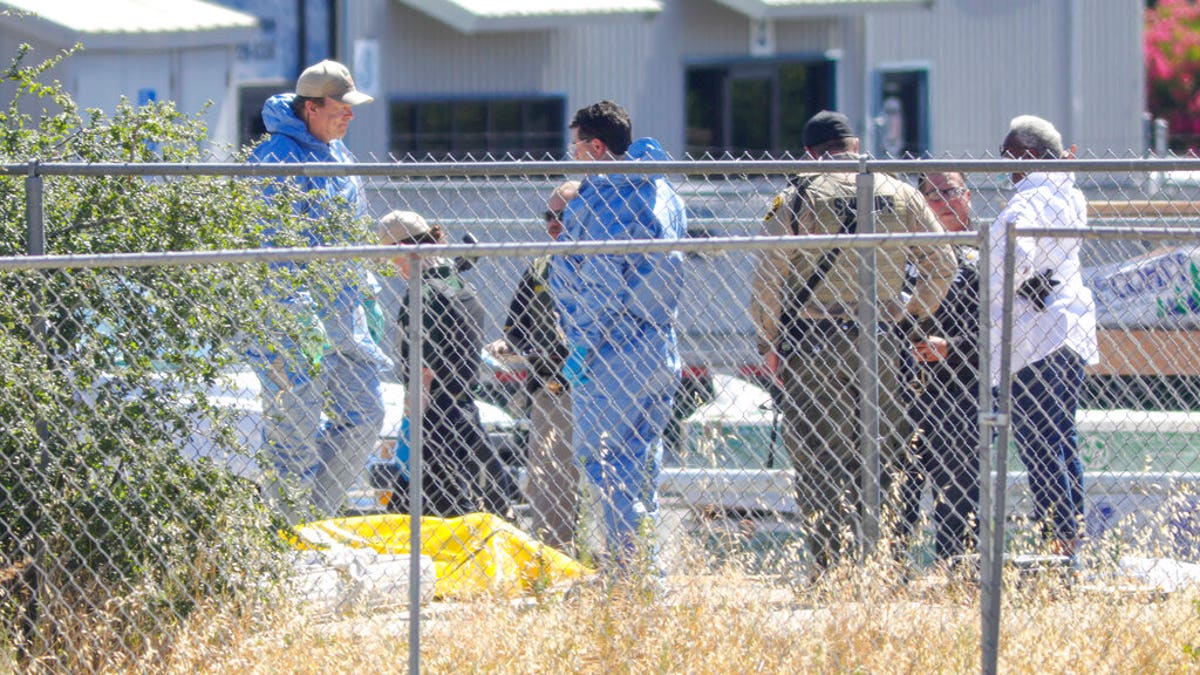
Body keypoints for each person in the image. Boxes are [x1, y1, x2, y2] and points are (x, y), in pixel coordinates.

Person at [749, 110, 956, 578]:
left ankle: (830, 566)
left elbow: (767, 277)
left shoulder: (796, 196)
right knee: (882, 452)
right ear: (855, 144)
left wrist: (768, 340)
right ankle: (880, 560)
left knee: (819, 453)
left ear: (810, 153)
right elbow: (943, 263)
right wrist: (909, 314)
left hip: (813, 341)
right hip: (881, 338)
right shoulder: (900, 192)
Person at [247, 59, 392, 523]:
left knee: (367, 416)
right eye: (341, 107)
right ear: (311, 108)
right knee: (295, 429)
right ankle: (286, 536)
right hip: (294, 321)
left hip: (343, 314)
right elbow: (272, 244)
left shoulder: (339, 155)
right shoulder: (276, 159)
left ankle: (312, 520)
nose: (350, 115)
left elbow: (352, 232)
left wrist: (366, 293)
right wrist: (294, 309)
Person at [549, 100, 686, 574]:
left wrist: (582, 343)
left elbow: (603, 280)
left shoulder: (606, 199)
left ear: (596, 146)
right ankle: (646, 565)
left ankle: (631, 574)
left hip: (612, 350)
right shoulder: (663, 190)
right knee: (643, 456)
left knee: (605, 460)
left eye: (577, 149)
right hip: (659, 344)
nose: (574, 158)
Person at [990, 115, 1098, 558]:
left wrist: (1013, 282)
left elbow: (1006, 262)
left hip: (1035, 334)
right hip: (1072, 326)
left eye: (1009, 158)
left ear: (1030, 156)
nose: (1006, 170)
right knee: (1061, 435)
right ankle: (1072, 537)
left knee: (1038, 442)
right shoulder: (1071, 194)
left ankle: (1058, 541)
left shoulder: (1026, 202)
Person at [379, 210, 512, 518]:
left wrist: (412, 422)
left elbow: (424, 369)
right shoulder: (459, 287)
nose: (393, 266)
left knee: (440, 512)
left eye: (391, 256)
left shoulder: (422, 294)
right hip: (462, 409)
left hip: (434, 418)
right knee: (459, 507)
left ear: (404, 251)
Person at [487, 181, 581, 552]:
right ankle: (553, 558)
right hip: (553, 389)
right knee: (550, 480)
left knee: (607, 477)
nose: (554, 225)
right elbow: (517, 328)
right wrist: (505, 347)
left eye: (563, 216)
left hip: (605, 385)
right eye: (549, 216)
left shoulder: (608, 258)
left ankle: (613, 562)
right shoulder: (541, 266)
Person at [899, 171, 982, 561]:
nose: (945, 200)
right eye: (933, 194)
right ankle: (889, 571)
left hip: (961, 390)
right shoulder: (901, 252)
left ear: (968, 196)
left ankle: (958, 573)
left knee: (959, 493)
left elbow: (1003, 332)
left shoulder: (990, 253)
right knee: (898, 491)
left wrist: (952, 348)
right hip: (904, 390)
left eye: (952, 191)